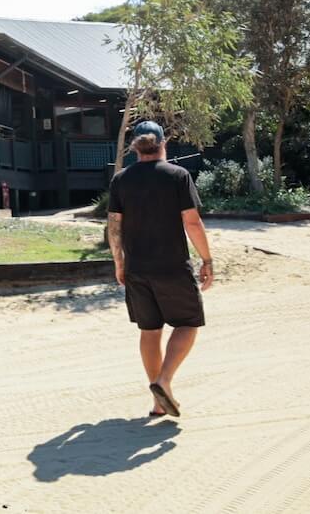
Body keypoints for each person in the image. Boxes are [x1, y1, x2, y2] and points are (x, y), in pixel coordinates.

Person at [106, 121, 213, 418]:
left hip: (137, 269)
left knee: (149, 331)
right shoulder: (178, 176)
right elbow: (192, 222)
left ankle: (157, 400)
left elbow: (114, 226)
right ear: (163, 144)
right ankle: (164, 381)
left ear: (135, 148)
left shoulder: (121, 180)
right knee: (188, 323)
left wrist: (119, 262)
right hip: (172, 267)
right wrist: (207, 259)